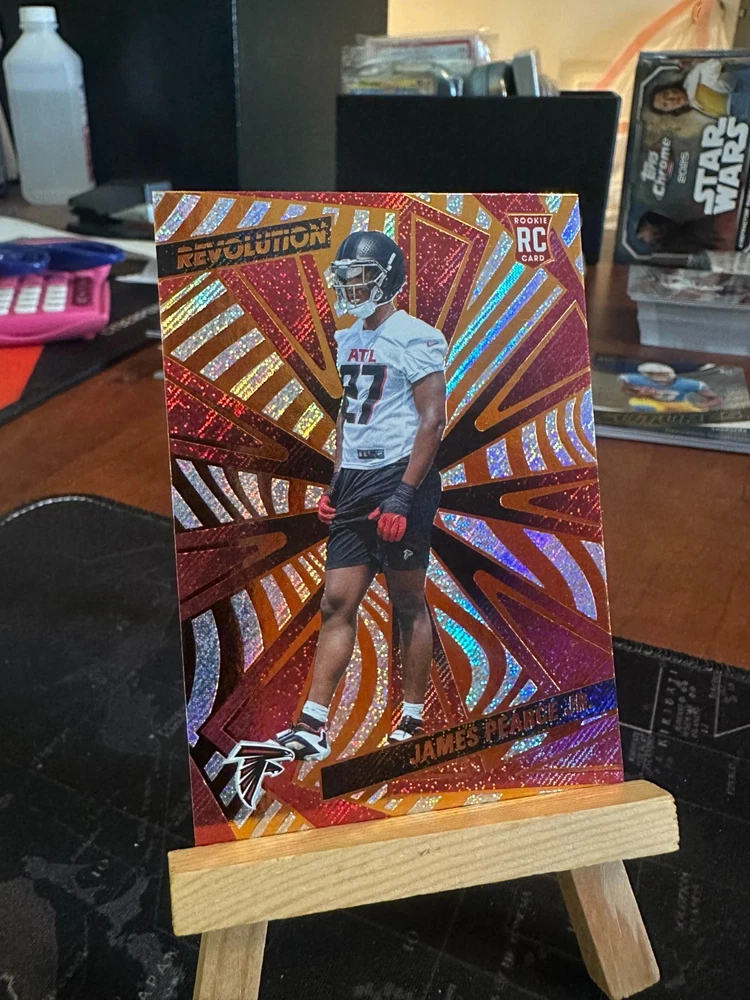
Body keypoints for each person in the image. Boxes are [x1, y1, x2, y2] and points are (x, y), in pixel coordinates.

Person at [274, 230, 447, 761]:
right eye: (346, 278)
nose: (352, 287)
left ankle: (413, 717)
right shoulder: (349, 337)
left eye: (362, 277)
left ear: (389, 279)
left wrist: (404, 495)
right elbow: (349, 416)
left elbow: (433, 420)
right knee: (336, 602)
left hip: (399, 477)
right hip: (355, 478)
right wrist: (336, 480)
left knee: (407, 601)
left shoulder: (417, 336)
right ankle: (312, 725)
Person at [650, 58, 750, 120]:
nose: (671, 100)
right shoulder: (693, 104)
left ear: (670, 88)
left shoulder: (694, 79)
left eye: (666, 94)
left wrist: (697, 60)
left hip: (742, 93)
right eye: (665, 105)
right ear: (669, 110)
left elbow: (713, 64)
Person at [618, 362, 720, 413]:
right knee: (639, 405)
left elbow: (716, 399)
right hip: (652, 402)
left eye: (662, 374)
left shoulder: (687, 384)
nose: (658, 377)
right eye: (653, 374)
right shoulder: (639, 380)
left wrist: (704, 405)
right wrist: (637, 391)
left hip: (679, 403)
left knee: (697, 413)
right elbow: (622, 384)